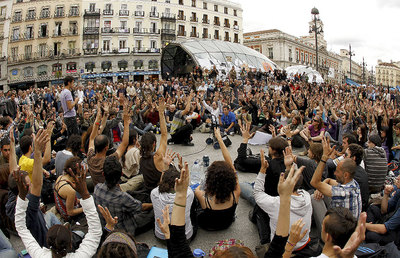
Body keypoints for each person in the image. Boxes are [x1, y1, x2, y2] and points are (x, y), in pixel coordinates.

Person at [14, 136, 102, 257]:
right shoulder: (81, 255)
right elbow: (96, 232)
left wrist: (21, 196)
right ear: (71, 245)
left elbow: (21, 227)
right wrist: (86, 194)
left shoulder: (39, 255)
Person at [254, 148, 312, 251]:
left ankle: (265, 242)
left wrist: (263, 170)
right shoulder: (306, 196)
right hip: (303, 243)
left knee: (258, 208)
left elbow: (257, 193)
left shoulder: (275, 203)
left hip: (281, 249)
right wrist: (289, 166)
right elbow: (296, 180)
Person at [311, 137, 362, 238]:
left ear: (346, 174)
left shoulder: (344, 192)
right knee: (321, 192)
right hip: (346, 223)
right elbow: (329, 180)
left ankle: (324, 236)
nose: (334, 173)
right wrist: (322, 185)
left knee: (314, 198)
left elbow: (314, 182)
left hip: (340, 235)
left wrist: (324, 157)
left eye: (337, 172)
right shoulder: (353, 183)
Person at [93, 155, 154, 236]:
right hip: (124, 231)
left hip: (105, 226)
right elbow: (142, 207)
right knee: (151, 213)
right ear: (121, 174)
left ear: (103, 174)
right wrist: (154, 204)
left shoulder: (97, 188)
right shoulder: (122, 197)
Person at [194, 128, 240, 231]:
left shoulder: (204, 197)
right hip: (226, 224)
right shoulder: (236, 193)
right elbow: (230, 164)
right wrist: (220, 139)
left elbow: (198, 189)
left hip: (207, 226)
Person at [87, 102, 130, 186]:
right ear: (106, 147)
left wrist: (98, 119)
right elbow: (124, 144)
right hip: (112, 190)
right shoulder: (109, 161)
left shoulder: (90, 157)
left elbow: (92, 138)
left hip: (98, 190)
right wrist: (126, 123)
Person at [151, 162, 195, 241]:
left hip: (161, 237)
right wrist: (183, 170)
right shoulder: (188, 193)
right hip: (185, 238)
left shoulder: (154, 193)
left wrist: (165, 168)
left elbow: (160, 184)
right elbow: (185, 185)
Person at [139, 98, 168, 192]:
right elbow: (164, 134)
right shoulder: (157, 157)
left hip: (148, 191)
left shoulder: (141, 159)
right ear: (154, 144)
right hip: (159, 192)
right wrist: (161, 113)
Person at [365, 178, 400, 246]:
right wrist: (386, 194)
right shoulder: (398, 191)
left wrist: (362, 224)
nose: (397, 178)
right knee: (373, 208)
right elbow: (383, 210)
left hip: (396, 233)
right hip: (390, 220)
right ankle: (367, 230)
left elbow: (384, 229)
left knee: (371, 236)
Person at [54, 156, 84, 222]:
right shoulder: (70, 191)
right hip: (69, 217)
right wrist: (85, 208)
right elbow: (70, 212)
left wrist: (81, 201)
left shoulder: (60, 177)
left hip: (61, 208)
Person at [346, 144, 369, 212]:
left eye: (346, 155)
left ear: (353, 158)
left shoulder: (353, 175)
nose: (343, 157)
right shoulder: (359, 170)